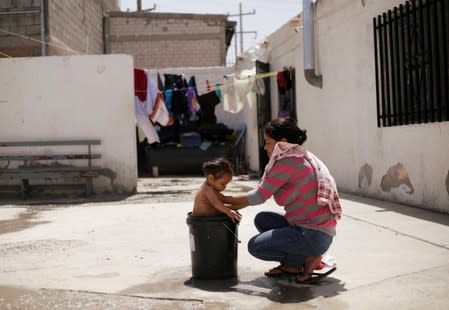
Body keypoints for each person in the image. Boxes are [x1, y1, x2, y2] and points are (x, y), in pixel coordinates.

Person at [228, 117, 341, 283]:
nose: (265, 147)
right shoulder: (301, 155)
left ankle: (311, 257)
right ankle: (292, 265)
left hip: (312, 234)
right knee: (263, 219)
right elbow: (262, 192)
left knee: (255, 247)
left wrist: (221, 201)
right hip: (318, 231)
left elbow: (259, 196)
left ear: (282, 141)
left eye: (267, 142)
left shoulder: (288, 161)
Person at [192, 158, 242, 223]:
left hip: (207, 219)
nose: (225, 187)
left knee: (232, 208)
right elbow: (216, 203)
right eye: (223, 183)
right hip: (200, 223)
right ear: (211, 178)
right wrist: (228, 211)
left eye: (226, 184)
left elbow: (220, 203)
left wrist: (230, 210)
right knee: (229, 208)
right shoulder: (207, 189)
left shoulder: (210, 188)